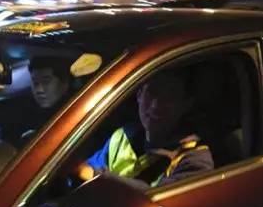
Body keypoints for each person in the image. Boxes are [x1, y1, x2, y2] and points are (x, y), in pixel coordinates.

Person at [80, 70, 214, 188]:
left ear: (185, 104)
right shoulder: (122, 137)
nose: (156, 105)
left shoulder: (195, 159)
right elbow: (87, 169)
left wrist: (95, 175)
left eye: (170, 95)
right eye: (152, 91)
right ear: (139, 95)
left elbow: (157, 199)